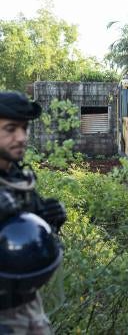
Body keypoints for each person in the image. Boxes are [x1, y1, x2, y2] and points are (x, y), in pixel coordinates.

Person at [0, 91, 66, 335]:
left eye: (24, 128)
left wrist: (49, 221)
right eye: (10, 129)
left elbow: (25, 241)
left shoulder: (16, 177)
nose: (21, 137)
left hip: (27, 302)